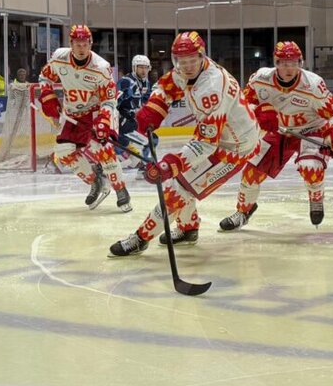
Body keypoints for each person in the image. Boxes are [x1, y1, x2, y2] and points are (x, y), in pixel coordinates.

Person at [108, 31, 260, 256]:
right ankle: (188, 229)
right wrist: (154, 109)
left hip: (234, 148)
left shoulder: (211, 87)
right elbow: (166, 86)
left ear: (201, 57)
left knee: (176, 189)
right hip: (219, 138)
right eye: (181, 61)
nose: (186, 66)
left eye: (191, 61)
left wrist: (172, 164)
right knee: (182, 185)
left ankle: (141, 238)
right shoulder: (187, 69)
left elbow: (206, 143)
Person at [220, 41, 333, 230]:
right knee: (251, 171)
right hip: (279, 130)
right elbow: (242, 106)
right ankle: (243, 212)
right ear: (276, 63)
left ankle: (316, 197)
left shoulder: (313, 85)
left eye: (294, 63)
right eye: (284, 63)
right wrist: (259, 113)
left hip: (310, 130)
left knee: (310, 167)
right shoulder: (260, 80)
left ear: (301, 63)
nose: (289, 68)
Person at [38, 25, 131, 212]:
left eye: (85, 44)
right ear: (71, 44)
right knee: (63, 152)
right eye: (77, 44)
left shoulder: (101, 67)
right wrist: (48, 97)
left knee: (102, 148)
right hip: (71, 112)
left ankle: (121, 189)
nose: (81, 48)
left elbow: (109, 98)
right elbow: (44, 77)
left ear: (91, 43)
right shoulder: (59, 58)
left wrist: (104, 121)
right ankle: (95, 181)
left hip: (97, 111)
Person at [117, 54, 157, 173]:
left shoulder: (146, 83)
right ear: (134, 68)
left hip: (131, 121)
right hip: (121, 121)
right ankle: (140, 164)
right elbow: (114, 101)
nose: (144, 70)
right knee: (150, 140)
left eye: (146, 67)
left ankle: (141, 164)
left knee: (152, 139)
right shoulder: (126, 82)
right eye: (140, 67)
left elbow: (145, 101)